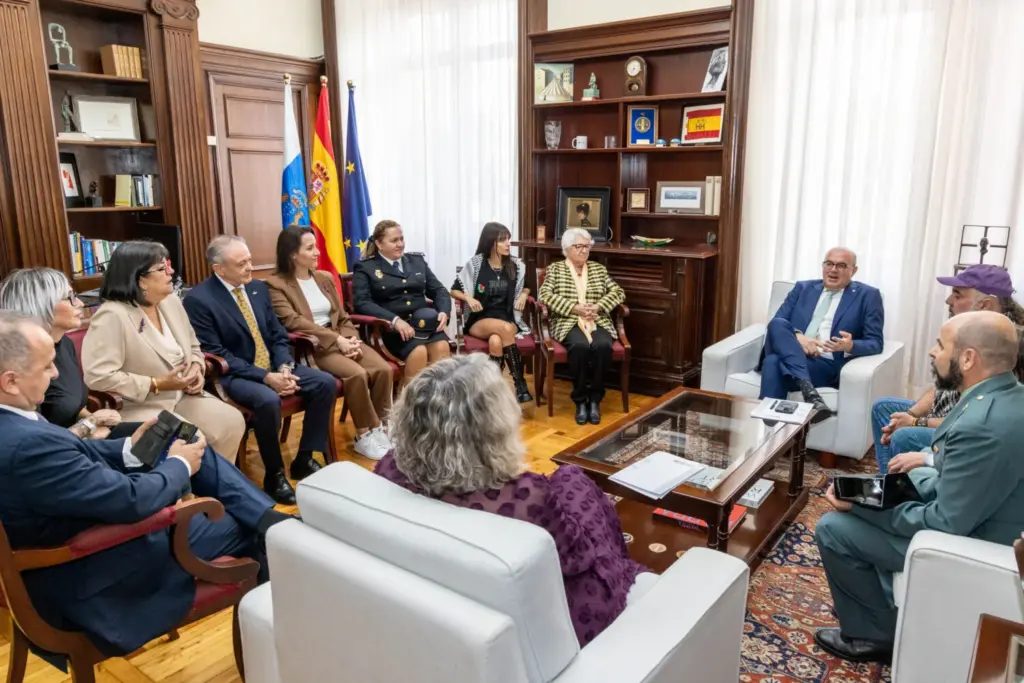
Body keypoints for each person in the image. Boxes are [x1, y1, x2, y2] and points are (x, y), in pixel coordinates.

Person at [0, 312, 288, 659]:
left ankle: (275, 523)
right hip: (93, 574)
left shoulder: (15, 424)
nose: (56, 373)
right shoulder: (27, 445)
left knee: (182, 445)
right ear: (11, 381)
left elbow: (73, 453)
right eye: (47, 366)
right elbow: (133, 501)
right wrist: (179, 466)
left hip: (71, 546)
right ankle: (277, 648)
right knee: (249, 529)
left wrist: (130, 448)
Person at [374, 354, 651, 646]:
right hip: (557, 621)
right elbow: (578, 558)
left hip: (443, 601)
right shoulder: (526, 498)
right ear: (491, 430)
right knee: (571, 476)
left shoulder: (388, 467)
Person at [814, 311, 1024, 664]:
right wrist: (885, 491)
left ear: (968, 358)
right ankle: (880, 606)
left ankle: (873, 636)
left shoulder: (982, 426)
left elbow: (947, 523)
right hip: (976, 514)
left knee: (834, 528)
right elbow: (950, 475)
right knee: (877, 492)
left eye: (941, 345)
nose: (932, 352)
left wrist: (865, 506)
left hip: (974, 544)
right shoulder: (1005, 396)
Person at [183, 235, 338, 505]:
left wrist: (285, 367)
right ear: (219, 268)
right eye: (241, 263)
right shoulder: (199, 299)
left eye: (250, 261)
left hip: (273, 366)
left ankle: (304, 458)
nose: (250, 268)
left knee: (324, 383)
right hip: (235, 374)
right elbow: (218, 353)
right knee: (267, 400)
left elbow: (278, 335)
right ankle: (274, 474)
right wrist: (267, 377)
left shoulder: (257, 288)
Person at [80, 241, 246, 461]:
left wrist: (196, 368)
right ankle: (181, 489)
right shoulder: (112, 315)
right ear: (141, 280)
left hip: (183, 396)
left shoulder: (171, 302)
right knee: (188, 437)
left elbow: (194, 346)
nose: (172, 271)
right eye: (162, 268)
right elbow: (99, 377)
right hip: (140, 405)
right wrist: (156, 384)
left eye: (168, 264)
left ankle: (213, 486)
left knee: (231, 420)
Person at [872, 264, 1018, 474]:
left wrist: (915, 422)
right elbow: (941, 386)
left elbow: (972, 420)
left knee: (904, 435)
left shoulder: (1001, 346)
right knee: (884, 408)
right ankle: (887, 480)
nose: (949, 301)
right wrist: (908, 414)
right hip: (944, 416)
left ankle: (898, 493)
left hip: (963, 430)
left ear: (985, 304)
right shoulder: (966, 330)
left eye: (957, 295)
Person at [266, 226, 393, 460]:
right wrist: (337, 341)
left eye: (316, 246)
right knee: (356, 374)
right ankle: (364, 436)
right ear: (293, 254)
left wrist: (350, 339)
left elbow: (342, 314)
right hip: (314, 345)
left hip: (341, 337)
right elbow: (293, 322)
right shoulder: (275, 284)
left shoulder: (323, 278)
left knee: (383, 369)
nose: (317, 252)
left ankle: (381, 430)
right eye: (310, 248)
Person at [0, 268, 134, 439]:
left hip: (83, 435)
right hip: (61, 448)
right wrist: (89, 425)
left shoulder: (65, 344)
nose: (79, 303)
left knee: (163, 434)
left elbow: (73, 406)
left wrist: (92, 420)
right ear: (41, 305)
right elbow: (37, 440)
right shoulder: (22, 360)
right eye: (70, 297)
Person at [758, 247, 884, 424]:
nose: (833, 270)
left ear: (853, 270)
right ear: (823, 266)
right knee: (778, 324)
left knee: (772, 363)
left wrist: (850, 346)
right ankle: (809, 392)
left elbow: (875, 342)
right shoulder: (802, 288)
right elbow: (777, 322)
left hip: (823, 363)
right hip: (792, 351)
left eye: (841, 265)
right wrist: (798, 338)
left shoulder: (868, 295)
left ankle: (768, 433)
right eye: (829, 264)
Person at [538, 228, 625, 426]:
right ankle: (580, 400)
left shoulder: (598, 269)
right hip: (568, 321)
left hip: (597, 320)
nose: (584, 251)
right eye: (579, 246)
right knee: (580, 347)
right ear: (567, 249)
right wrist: (573, 308)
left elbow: (618, 292)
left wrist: (598, 306)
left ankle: (594, 399)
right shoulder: (555, 269)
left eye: (587, 246)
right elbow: (545, 296)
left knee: (603, 346)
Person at [352, 219, 451, 382]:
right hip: (393, 332)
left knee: (442, 347)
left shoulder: (417, 261)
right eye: (394, 240)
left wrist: (444, 312)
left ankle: (437, 402)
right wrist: (394, 320)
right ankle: (410, 402)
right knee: (418, 351)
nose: (400, 244)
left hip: (424, 325)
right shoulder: (366, 268)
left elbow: (439, 290)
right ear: (379, 243)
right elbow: (362, 302)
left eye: (401, 239)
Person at [451, 221, 533, 403]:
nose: (508, 244)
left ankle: (493, 393)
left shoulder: (515, 266)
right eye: (503, 240)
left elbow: (527, 287)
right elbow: (454, 289)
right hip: (480, 319)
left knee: (496, 341)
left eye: (508, 240)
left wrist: (523, 296)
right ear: (491, 242)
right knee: (504, 330)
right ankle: (520, 385)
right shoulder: (476, 264)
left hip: (507, 319)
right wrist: (469, 299)